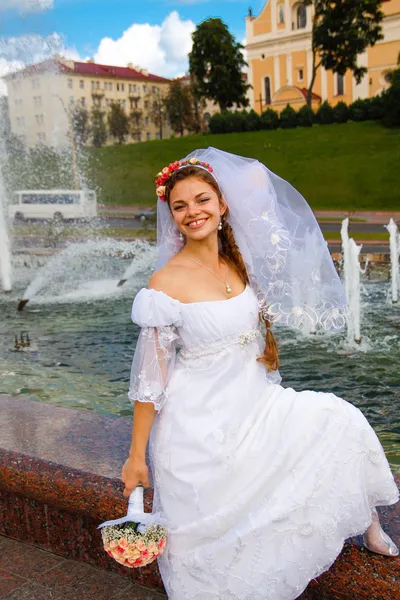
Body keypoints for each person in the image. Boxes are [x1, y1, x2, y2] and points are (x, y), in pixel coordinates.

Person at [121, 148, 399, 600]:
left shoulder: (236, 261)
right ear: (171, 216)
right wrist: (136, 456)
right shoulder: (165, 284)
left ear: (222, 204)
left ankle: (367, 524)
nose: (193, 212)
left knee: (339, 417)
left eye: (203, 199)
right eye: (181, 205)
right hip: (200, 430)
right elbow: (150, 382)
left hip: (256, 404)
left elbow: (256, 180)